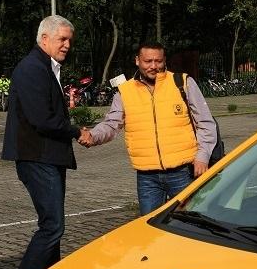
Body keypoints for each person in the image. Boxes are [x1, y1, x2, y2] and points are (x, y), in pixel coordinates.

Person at [1, 15, 90, 269]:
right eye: (62, 39)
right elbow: (42, 119)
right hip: (37, 157)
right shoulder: (32, 68)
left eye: (69, 41)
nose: (67, 46)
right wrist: (77, 131)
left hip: (47, 157)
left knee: (53, 226)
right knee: (52, 226)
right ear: (44, 38)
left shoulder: (45, 66)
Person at [78, 42, 217, 215]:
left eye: (158, 61)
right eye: (148, 61)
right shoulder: (125, 91)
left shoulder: (182, 83)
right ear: (138, 61)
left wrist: (202, 157)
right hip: (147, 178)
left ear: (164, 60)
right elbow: (111, 124)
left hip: (183, 173)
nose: (153, 66)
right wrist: (92, 136)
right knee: (151, 230)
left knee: (191, 225)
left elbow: (205, 122)